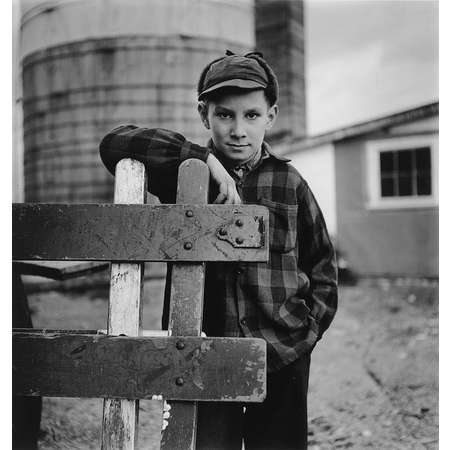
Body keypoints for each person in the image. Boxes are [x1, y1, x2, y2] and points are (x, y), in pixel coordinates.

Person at [99, 51, 338, 450]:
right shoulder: (184, 174)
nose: (238, 130)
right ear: (203, 114)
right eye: (225, 115)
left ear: (271, 116)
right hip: (204, 352)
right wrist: (200, 156)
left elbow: (322, 266)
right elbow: (114, 143)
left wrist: (306, 333)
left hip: (280, 352)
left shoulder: (289, 181)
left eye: (252, 115)